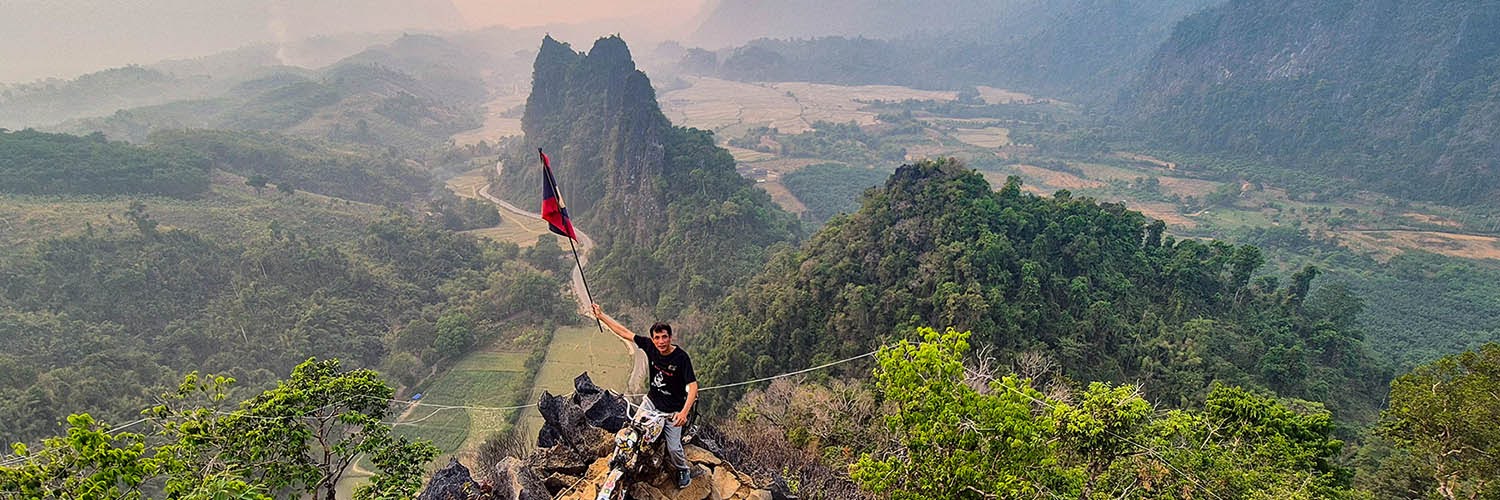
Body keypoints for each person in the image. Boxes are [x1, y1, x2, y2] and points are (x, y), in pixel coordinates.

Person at [592, 303, 698, 488]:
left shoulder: (681, 358)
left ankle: (683, 469)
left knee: (674, 448)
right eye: (657, 337)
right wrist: (601, 316)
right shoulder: (649, 346)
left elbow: (693, 386)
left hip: (672, 411)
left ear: (670, 337)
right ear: (652, 339)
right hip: (651, 402)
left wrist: (683, 413)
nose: (661, 341)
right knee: (631, 432)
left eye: (664, 337)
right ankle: (619, 462)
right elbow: (624, 332)